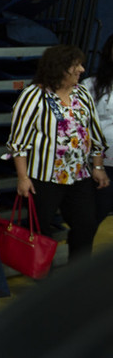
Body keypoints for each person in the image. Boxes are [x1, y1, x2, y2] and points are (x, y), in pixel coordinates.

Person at [7, 44, 109, 261]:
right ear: (61, 68)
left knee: (86, 225)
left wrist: (98, 167)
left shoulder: (82, 93)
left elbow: (95, 133)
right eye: (76, 65)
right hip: (43, 179)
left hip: (80, 176)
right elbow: (18, 142)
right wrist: (23, 177)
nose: (82, 69)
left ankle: (77, 275)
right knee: (41, 230)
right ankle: (44, 278)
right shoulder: (33, 95)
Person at [80, 34, 113, 226]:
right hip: (102, 164)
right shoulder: (91, 85)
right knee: (94, 216)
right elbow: (84, 127)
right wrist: (97, 166)